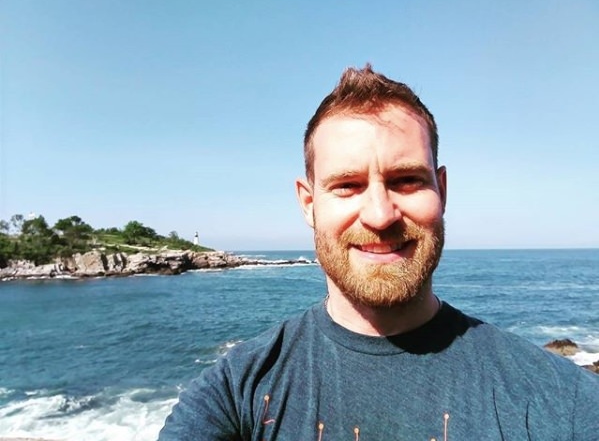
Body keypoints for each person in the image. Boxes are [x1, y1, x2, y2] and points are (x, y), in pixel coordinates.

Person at [159, 65, 599, 440]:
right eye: (347, 185)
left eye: (406, 180)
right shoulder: (235, 393)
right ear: (309, 204)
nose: (380, 214)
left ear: (442, 190)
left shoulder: (561, 399)